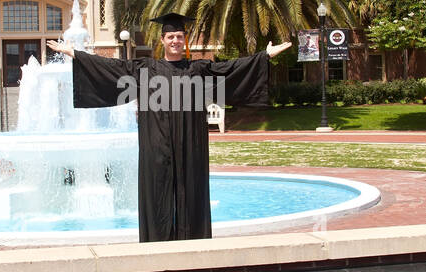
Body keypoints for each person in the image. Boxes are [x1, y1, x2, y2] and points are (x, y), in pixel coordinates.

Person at [47, 13, 290, 242]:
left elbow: (230, 70)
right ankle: (156, 244)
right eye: (171, 36)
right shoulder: (145, 69)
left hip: (190, 141)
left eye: (180, 37)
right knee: (157, 189)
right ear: (162, 40)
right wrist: (75, 54)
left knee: (192, 189)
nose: (175, 40)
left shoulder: (198, 69)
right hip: (156, 141)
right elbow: (112, 68)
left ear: (185, 41)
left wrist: (264, 56)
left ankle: (194, 243)